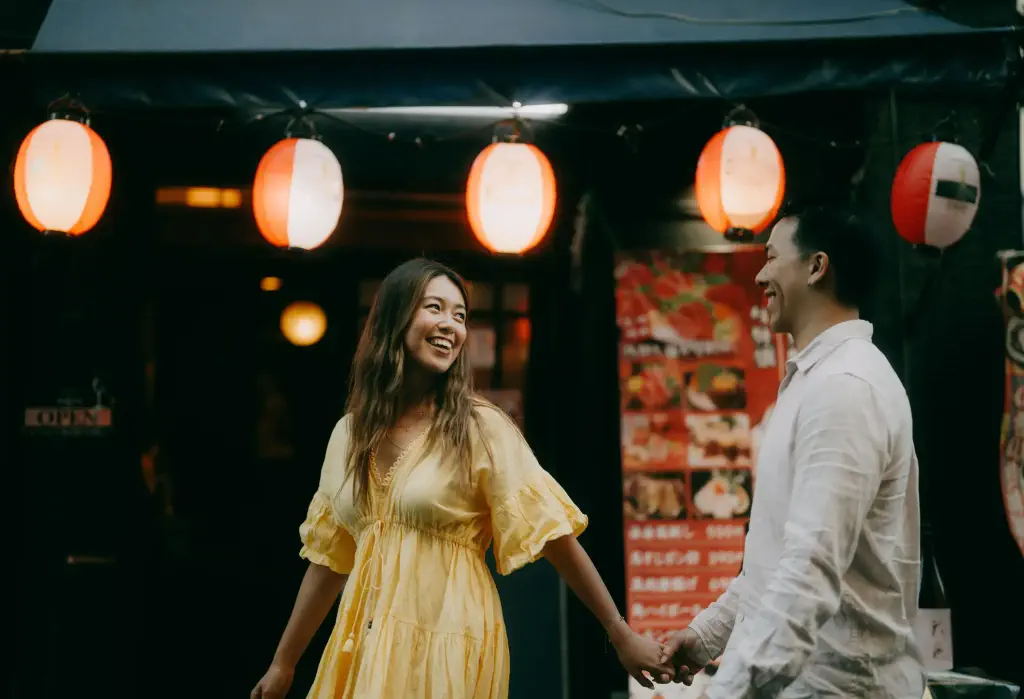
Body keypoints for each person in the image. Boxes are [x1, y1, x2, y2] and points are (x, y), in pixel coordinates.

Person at [252, 258, 672, 699]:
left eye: (460, 315)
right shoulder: (347, 434)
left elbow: (555, 538)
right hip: (365, 641)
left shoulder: (479, 428)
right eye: (434, 307)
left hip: (449, 638)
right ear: (394, 317)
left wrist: (620, 634)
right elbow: (329, 561)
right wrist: (284, 663)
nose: (450, 324)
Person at [661, 208, 924, 698]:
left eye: (771, 257)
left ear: (816, 266)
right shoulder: (814, 381)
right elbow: (776, 562)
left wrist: (727, 693)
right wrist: (704, 636)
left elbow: (809, 571)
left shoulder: (845, 387)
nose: (760, 274)